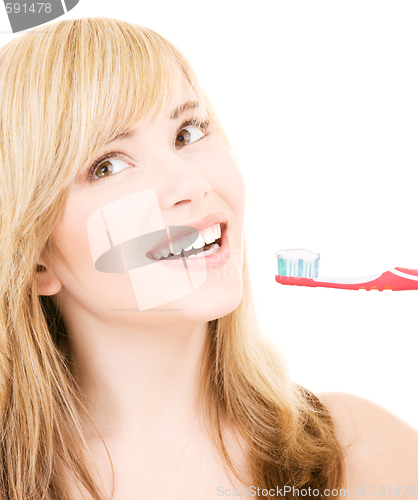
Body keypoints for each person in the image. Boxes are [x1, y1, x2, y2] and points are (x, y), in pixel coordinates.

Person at [0, 17, 416, 500]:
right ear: (36, 261)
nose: (190, 184)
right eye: (107, 165)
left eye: (187, 133)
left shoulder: (358, 454)